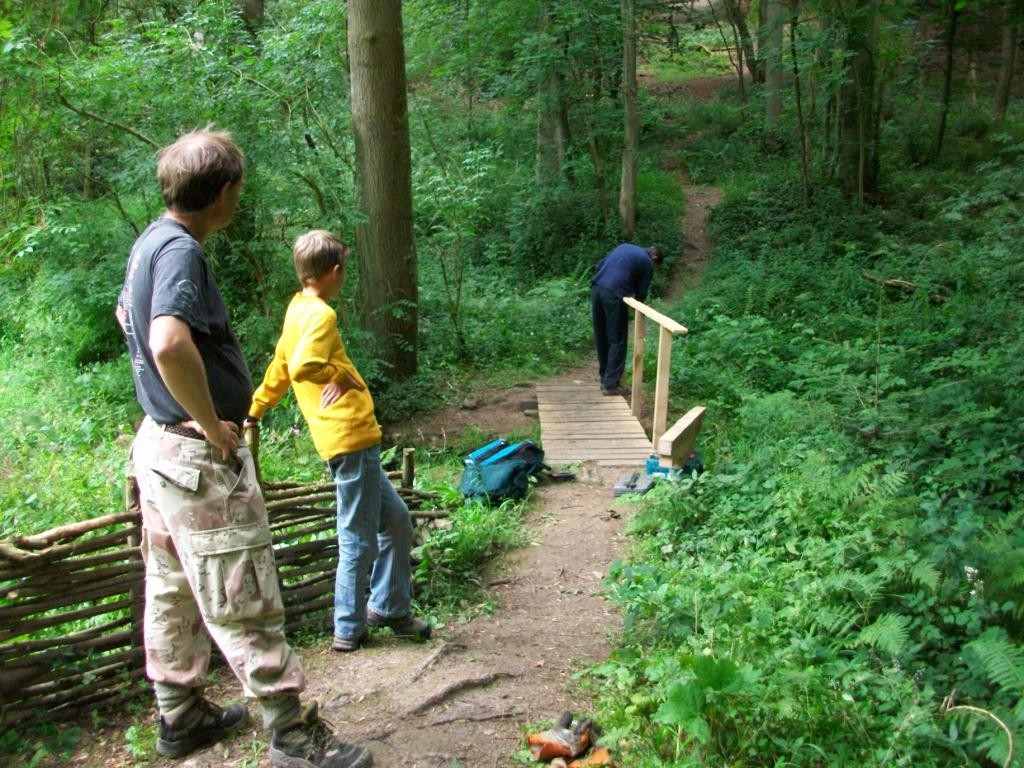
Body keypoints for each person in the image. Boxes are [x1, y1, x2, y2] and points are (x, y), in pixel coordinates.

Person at [117, 129, 372, 768]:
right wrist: (210, 425)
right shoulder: (180, 252)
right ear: (225, 192)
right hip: (192, 454)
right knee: (242, 592)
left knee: (173, 584)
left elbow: (133, 327)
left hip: (157, 447)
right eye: (240, 190)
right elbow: (168, 342)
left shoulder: (149, 242)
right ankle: (293, 732)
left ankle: (180, 715)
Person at [245, 230, 430, 654]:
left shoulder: (297, 309)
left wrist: (255, 409)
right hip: (348, 436)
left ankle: (389, 607)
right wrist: (340, 376)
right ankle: (348, 626)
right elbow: (304, 365)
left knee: (397, 522)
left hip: (351, 438)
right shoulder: (321, 316)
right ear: (334, 271)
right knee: (357, 535)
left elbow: (281, 365)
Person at [590, 243, 662, 397]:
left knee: (602, 336)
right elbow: (642, 292)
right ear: (655, 258)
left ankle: (605, 378)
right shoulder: (647, 262)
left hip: (596, 288)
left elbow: (600, 265)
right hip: (614, 294)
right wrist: (637, 306)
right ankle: (610, 385)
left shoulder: (625, 247)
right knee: (617, 339)